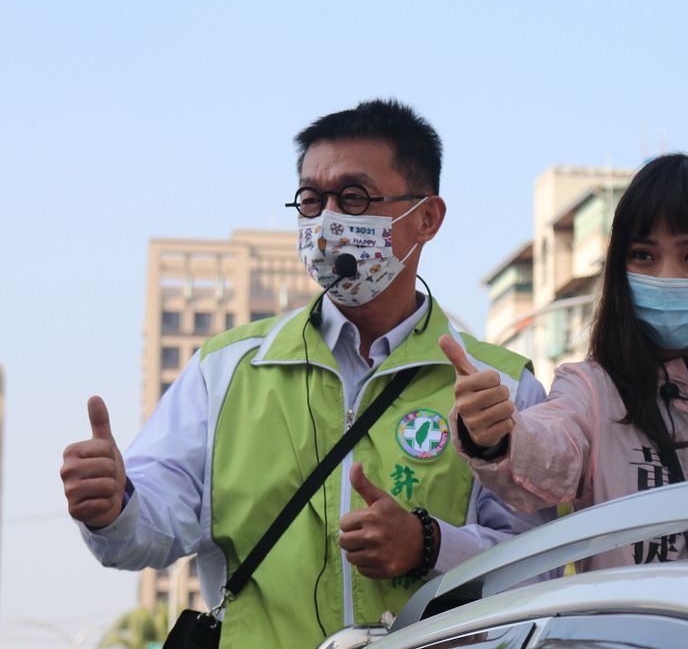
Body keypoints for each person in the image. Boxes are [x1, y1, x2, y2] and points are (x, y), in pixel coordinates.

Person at [59, 99, 550, 647]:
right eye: (312, 200)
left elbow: (541, 571)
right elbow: (147, 530)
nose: (327, 222)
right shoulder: (228, 370)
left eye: (354, 197)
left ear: (426, 219)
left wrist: (429, 545)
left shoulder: (499, 386)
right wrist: (113, 506)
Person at [440, 153, 688, 570]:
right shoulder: (592, 390)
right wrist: (498, 437)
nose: (667, 276)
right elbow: (549, 452)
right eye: (644, 256)